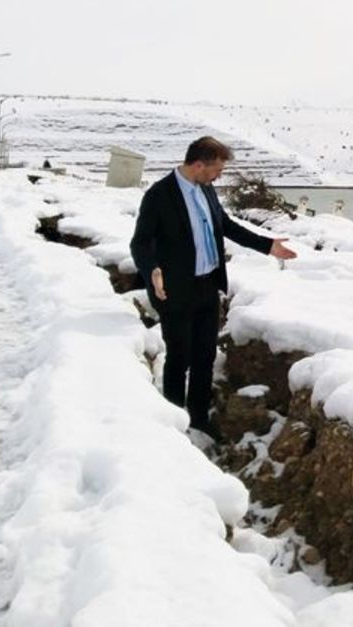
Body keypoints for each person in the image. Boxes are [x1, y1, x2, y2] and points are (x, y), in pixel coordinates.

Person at [130, 136, 296, 440]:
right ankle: (174, 423)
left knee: (205, 356)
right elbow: (139, 242)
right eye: (216, 170)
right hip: (175, 290)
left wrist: (267, 245)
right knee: (179, 358)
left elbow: (226, 225)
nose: (219, 176)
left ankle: (199, 419)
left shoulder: (206, 189)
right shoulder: (159, 195)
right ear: (197, 165)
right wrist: (152, 269)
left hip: (208, 286)